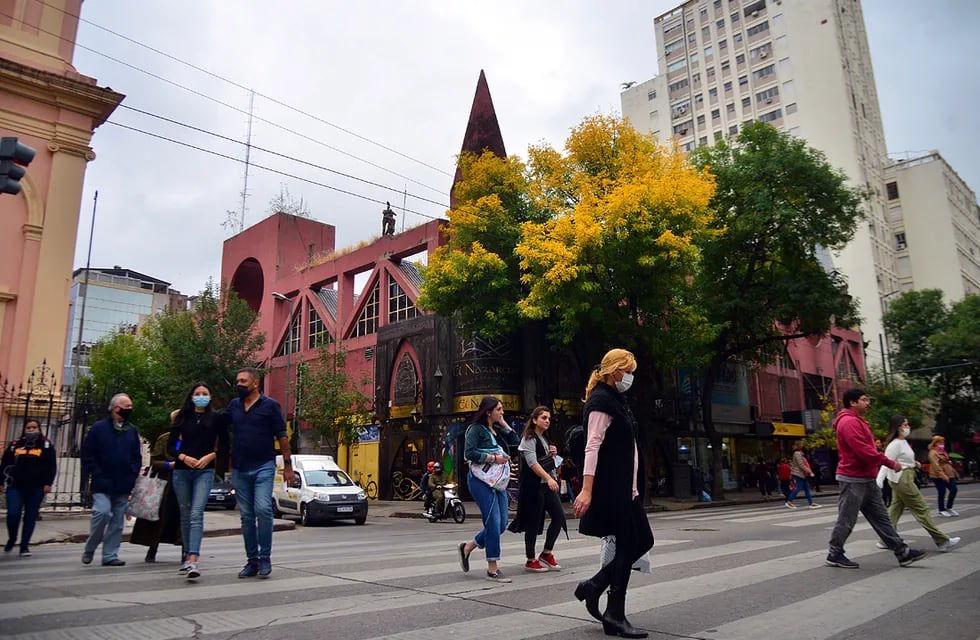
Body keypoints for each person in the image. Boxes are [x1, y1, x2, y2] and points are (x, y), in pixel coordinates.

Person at [573, 348, 654, 639]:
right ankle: (614, 615)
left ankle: (594, 586)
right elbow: (591, 447)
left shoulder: (617, 401)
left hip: (627, 489)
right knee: (629, 542)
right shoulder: (600, 401)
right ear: (614, 370)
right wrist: (586, 489)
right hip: (612, 489)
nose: (630, 377)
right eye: (627, 371)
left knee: (643, 540)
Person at [826, 388, 926, 569]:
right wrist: (888, 462)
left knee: (881, 517)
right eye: (864, 400)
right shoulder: (848, 422)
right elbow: (862, 450)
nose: (868, 402)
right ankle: (835, 552)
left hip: (866, 477)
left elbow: (867, 449)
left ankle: (902, 551)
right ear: (853, 403)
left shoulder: (858, 421)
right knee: (847, 519)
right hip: (852, 478)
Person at [228, 368, 292, 579]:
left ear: (255, 383)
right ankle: (252, 561)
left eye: (243, 381)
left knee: (263, 509)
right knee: (246, 516)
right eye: (237, 380)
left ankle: (265, 557)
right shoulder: (234, 406)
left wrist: (288, 465)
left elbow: (282, 436)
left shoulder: (270, 406)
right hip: (239, 467)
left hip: (263, 465)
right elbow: (218, 425)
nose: (239, 384)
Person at [168, 382, 230, 581]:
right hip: (182, 471)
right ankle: (187, 556)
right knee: (185, 514)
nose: (201, 396)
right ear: (191, 396)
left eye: (205, 393)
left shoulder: (216, 419)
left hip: (204, 471)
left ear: (210, 397)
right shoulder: (182, 417)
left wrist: (211, 456)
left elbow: (226, 445)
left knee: (196, 513)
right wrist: (183, 457)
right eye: (198, 393)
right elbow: (171, 446)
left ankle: (194, 558)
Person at [457, 396, 520, 583]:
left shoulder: (497, 429)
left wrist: (504, 423)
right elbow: (469, 453)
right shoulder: (475, 429)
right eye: (499, 409)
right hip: (481, 481)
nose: (502, 412)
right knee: (493, 522)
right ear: (488, 411)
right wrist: (494, 458)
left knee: (501, 525)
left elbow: (516, 442)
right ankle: (493, 568)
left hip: (498, 481)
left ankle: (468, 547)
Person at [876, 416, 960, 553]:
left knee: (895, 510)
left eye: (907, 424)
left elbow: (903, 460)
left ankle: (885, 539)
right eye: (905, 424)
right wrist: (879, 482)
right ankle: (942, 540)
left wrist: (914, 464)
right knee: (922, 509)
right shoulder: (895, 444)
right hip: (902, 479)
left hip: (904, 477)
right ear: (897, 427)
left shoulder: (902, 442)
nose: (907, 427)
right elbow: (886, 463)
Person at [80, 393, 142, 567]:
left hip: (123, 483)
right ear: (116, 408)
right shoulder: (99, 428)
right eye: (126, 406)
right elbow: (87, 454)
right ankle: (90, 547)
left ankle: (110, 555)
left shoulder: (131, 430)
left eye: (130, 406)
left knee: (117, 523)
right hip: (103, 482)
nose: (129, 409)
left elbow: (136, 456)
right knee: (101, 513)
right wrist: (96, 472)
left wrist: (133, 473)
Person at [508, 406, 566, 573]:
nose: (547, 421)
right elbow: (533, 464)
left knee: (559, 517)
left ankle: (546, 553)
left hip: (546, 486)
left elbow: (546, 462)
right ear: (534, 420)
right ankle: (530, 559)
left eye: (548, 418)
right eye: (543, 418)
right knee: (533, 522)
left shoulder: (544, 439)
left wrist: (552, 455)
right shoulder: (529, 438)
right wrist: (548, 478)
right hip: (534, 486)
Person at [2, 419, 56, 557]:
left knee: (30, 516)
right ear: (24, 429)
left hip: (36, 488)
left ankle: (24, 546)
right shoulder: (15, 445)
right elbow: (4, 464)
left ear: (39, 429)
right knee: (13, 514)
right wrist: (1, 481)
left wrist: (48, 483)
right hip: (15, 486)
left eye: (34, 427)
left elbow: (51, 466)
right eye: (28, 427)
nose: (31, 430)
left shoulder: (46, 446)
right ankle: (12, 538)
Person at [129, 431, 182, 564]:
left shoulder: (194, 437)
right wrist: (169, 465)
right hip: (164, 484)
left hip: (185, 483)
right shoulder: (164, 439)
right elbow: (154, 461)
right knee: (159, 518)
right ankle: (152, 549)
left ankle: (187, 552)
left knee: (183, 519)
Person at [928, 435, 958, 517]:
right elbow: (935, 465)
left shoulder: (943, 451)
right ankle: (941, 509)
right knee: (942, 491)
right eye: (940, 442)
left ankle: (949, 507)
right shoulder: (933, 452)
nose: (942, 444)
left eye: (943, 442)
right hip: (938, 475)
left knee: (954, 489)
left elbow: (945, 462)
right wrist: (942, 475)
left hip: (949, 474)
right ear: (935, 443)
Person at [785, 440, 819, 509]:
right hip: (798, 474)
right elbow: (801, 465)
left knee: (807, 488)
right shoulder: (797, 453)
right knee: (798, 487)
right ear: (799, 446)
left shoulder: (799, 453)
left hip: (802, 474)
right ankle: (789, 502)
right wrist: (810, 472)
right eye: (802, 444)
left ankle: (811, 503)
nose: (803, 445)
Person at [875, 438, 892, 507]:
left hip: (885, 472)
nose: (878, 444)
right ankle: (883, 502)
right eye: (877, 443)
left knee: (887, 488)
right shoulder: (873, 452)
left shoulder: (883, 452)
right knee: (880, 489)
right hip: (877, 473)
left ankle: (888, 502)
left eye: (879, 443)